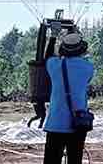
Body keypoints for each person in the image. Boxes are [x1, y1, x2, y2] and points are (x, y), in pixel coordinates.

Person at [42, 28, 93, 164]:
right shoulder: (88, 67)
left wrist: (53, 36)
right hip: (78, 123)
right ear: (80, 49)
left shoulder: (54, 65)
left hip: (55, 124)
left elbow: (47, 58)